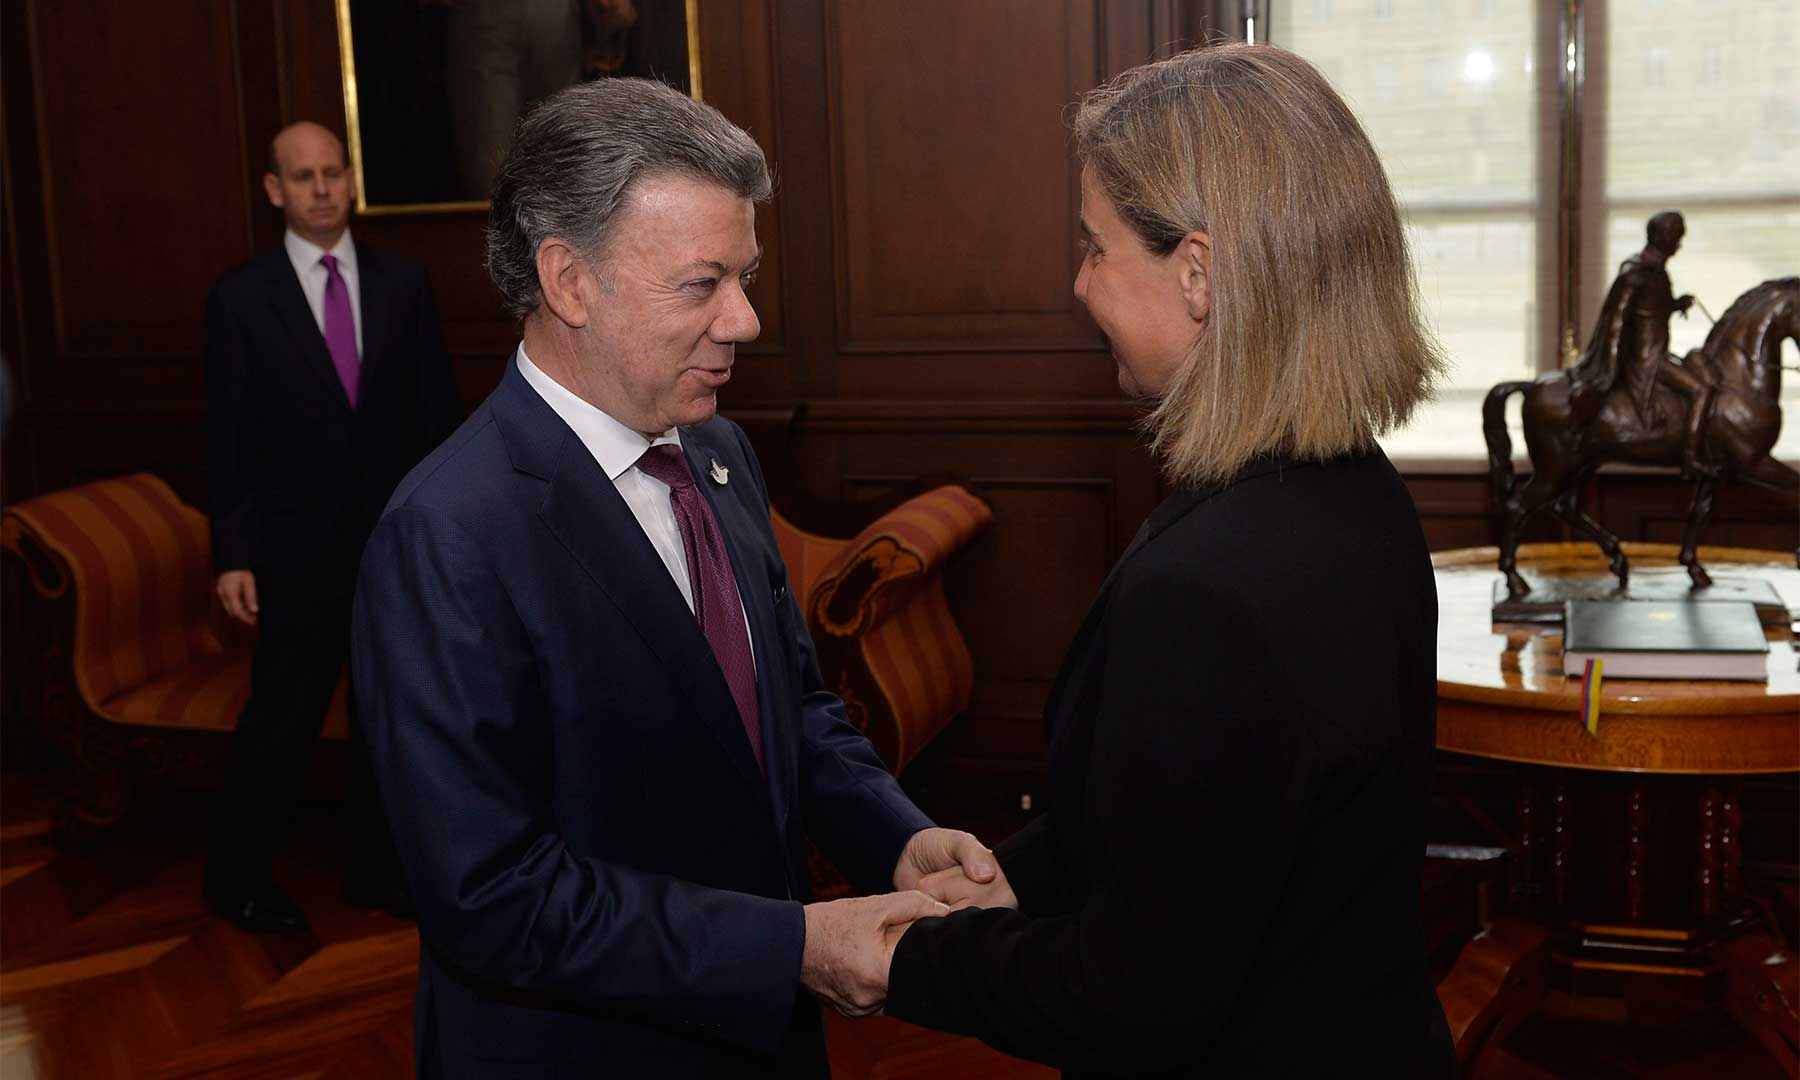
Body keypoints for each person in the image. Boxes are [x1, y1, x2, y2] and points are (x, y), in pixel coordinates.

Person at [350, 78, 990, 1078]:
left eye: (747, 276)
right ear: (570, 281)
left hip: (760, 1033)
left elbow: (792, 711)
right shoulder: (447, 533)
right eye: (703, 284)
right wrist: (793, 946)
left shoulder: (719, 452)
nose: (746, 320)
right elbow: (492, 897)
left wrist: (896, 839)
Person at [880, 44, 1460, 1078]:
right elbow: (1197, 835)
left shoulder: (1207, 590)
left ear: (1198, 272)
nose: (1078, 282)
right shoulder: (1354, 487)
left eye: (1095, 248)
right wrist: (1011, 880)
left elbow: (1133, 996)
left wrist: (897, 962)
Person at [204, 121, 464, 932]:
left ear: (350, 180)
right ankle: (238, 880)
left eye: (332, 172)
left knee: (391, 715)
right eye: (302, 176)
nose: (321, 189)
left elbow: (437, 417)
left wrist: (449, 535)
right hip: (293, 554)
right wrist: (234, 554)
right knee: (282, 718)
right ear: (274, 190)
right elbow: (228, 438)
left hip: (393, 549)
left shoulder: (404, 283)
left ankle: (377, 872)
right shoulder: (241, 299)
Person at [1569, 210, 1716, 476]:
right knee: (1702, 390)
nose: (1679, 245)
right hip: (1647, 360)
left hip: (1657, 352)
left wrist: (1675, 305)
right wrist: (1608, 368)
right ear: (1661, 238)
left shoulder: (1656, 272)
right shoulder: (1636, 273)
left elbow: (1648, 310)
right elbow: (1617, 321)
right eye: (1676, 238)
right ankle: (1692, 458)